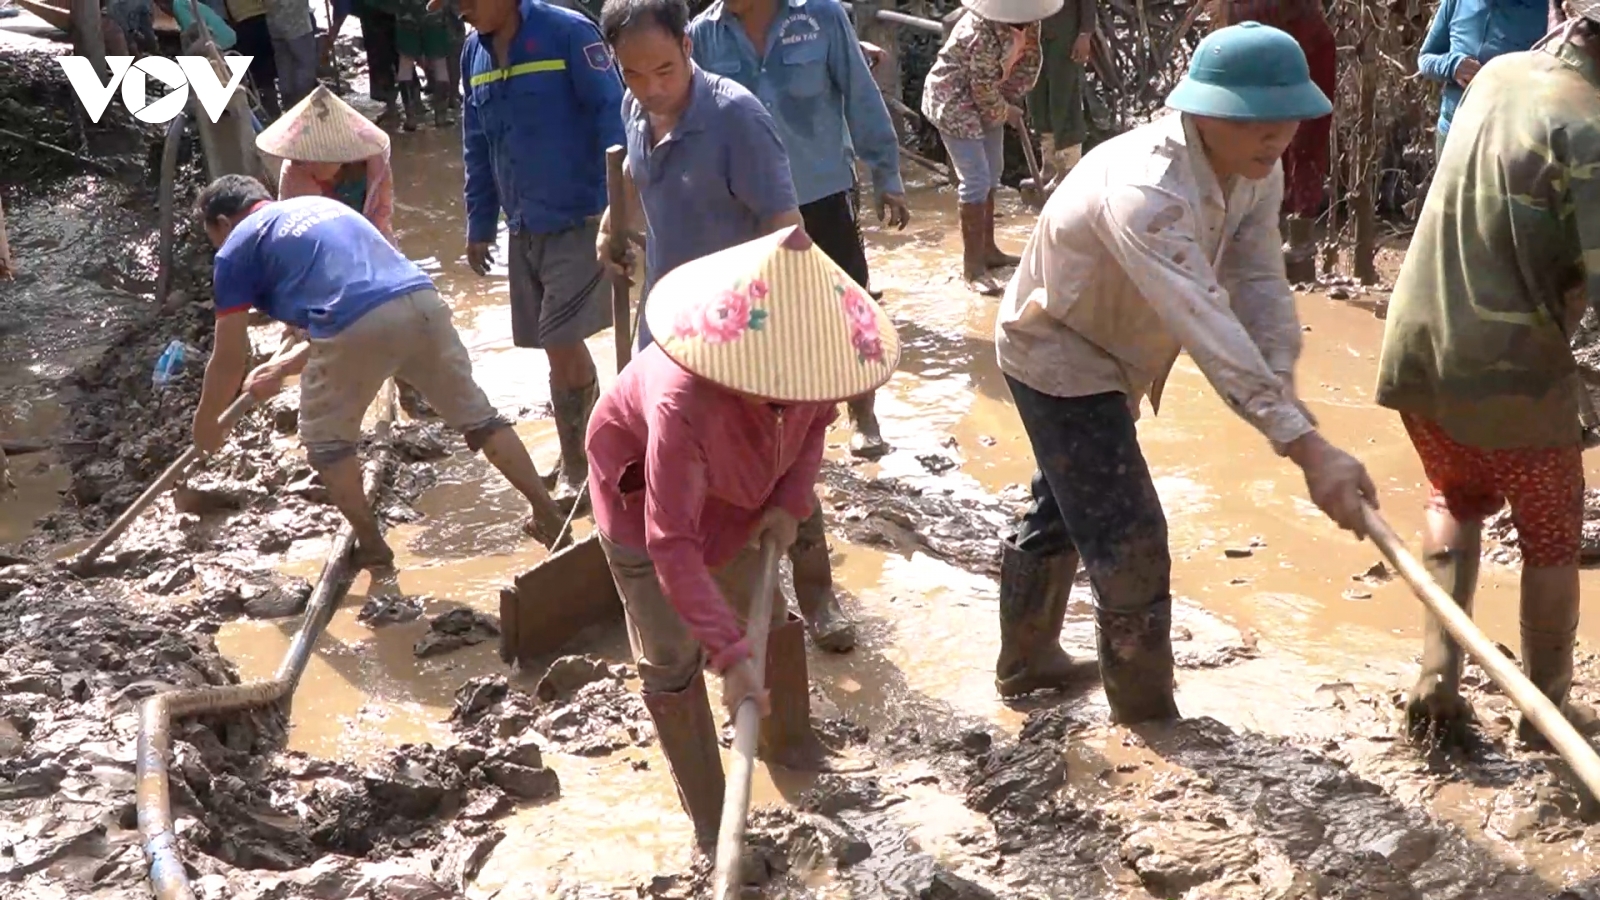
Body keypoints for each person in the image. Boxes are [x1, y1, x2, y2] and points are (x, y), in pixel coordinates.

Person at [993, 23, 1378, 720]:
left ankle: (1026, 662)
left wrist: (1283, 392)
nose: (1276, 138)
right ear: (1203, 111)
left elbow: (1256, 281)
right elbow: (1206, 322)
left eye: (1286, 120)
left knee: (1071, 500)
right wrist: (1305, 445)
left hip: (1121, 342)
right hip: (1058, 344)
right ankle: (1148, 718)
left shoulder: (1253, 166)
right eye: (1256, 122)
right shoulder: (1151, 191)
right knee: (1130, 535)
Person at [587, 226, 901, 852]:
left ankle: (792, 748)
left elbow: (815, 429)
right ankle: (715, 829)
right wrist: (727, 658)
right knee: (673, 657)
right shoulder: (686, 403)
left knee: (767, 616)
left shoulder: (816, 370)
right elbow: (670, 542)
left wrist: (788, 503)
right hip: (640, 502)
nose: (806, 390)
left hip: (741, 496)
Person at [1376, 10, 1600, 749]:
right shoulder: (1591, 127)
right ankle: (1547, 714)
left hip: (1418, 340)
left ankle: (1434, 686)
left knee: (1459, 494)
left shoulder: (1500, 75)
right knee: (1551, 534)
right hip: (1507, 367)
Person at [190, 176, 569, 565]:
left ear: (222, 223)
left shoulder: (235, 249)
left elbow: (230, 358)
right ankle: (548, 512)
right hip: (422, 301)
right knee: (481, 420)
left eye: (213, 237)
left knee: (326, 446)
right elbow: (361, 312)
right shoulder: (325, 208)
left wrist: (207, 426)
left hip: (356, 322)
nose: (218, 246)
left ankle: (373, 547)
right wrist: (284, 367)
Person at [687, 0, 909, 464]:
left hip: (823, 190)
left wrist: (886, 175)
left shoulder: (822, 17)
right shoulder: (702, 36)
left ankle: (862, 414)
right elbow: (691, 121)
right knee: (758, 318)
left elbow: (860, 94)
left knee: (846, 306)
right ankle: (777, 432)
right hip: (748, 206)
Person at [456, 0, 625, 515]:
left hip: (582, 217)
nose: (464, 13)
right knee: (551, 344)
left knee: (559, 336)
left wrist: (623, 209)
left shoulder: (569, 34)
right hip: (523, 221)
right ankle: (589, 450)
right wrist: (480, 222)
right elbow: (476, 144)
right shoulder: (472, 55)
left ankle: (581, 464)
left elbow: (615, 120)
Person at [595, 0, 804, 351]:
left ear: (686, 46)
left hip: (734, 331)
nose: (652, 90)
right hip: (664, 322)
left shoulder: (737, 118)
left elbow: (787, 232)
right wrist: (609, 228)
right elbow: (637, 166)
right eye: (633, 74)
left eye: (665, 71)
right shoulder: (633, 107)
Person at [922, 0, 1057, 295]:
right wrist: (1005, 111)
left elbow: (1025, 64)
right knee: (976, 181)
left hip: (991, 98)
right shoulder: (978, 32)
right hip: (954, 101)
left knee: (993, 172)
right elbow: (980, 86)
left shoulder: (1030, 22)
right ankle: (973, 268)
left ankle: (989, 249)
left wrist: (1010, 100)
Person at [1211, 0, 1335, 284]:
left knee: (1302, 140)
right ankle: (1252, 241)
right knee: (1250, 138)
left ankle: (1298, 247)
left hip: (1307, 48)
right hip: (1248, 48)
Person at [259, 86, 396, 241]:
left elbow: (383, 209)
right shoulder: (293, 168)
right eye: (302, 159)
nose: (305, 164)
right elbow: (289, 225)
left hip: (372, 235)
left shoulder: (374, 160)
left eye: (312, 158)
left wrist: (365, 243)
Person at [1417, 0, 1549, 160]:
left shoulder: (1545, 10)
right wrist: (1453, 66)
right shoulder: (1457, 3)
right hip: (1452, 135)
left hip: (1506, 147)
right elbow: (1425, 58)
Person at [1028, 0, 1094, 192]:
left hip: (1066, 32)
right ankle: (1049, 166)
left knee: (1065, 97)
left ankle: (1069, 170)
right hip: (1035, 31)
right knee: (1037, 99)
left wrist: (1085, 34)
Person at [395, 0, 455, 128]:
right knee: (440, 63)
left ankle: (410, 119)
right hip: (434, 15)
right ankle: (441, 117)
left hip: (406, 14)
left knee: (405, 63)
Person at [266, 0, 319, 110]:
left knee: (285, 65)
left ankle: (288, 104)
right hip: (297, 22)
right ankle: (301, 102)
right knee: (305, 64)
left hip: (275, 22)